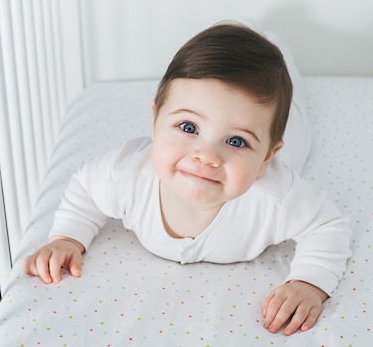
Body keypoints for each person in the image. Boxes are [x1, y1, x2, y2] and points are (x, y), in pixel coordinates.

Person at [23, 21, 352, 336]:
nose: (206, 155)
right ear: (154, 121)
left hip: (291, 135)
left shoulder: (276, 199)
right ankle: (251, 30)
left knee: (290, 104)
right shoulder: (124, 174)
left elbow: (327, 226)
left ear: (266, 157)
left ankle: (273, 42)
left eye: (237, 141)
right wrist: (68, 237)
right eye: (188, 127)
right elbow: (83, 190)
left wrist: (308, 283)